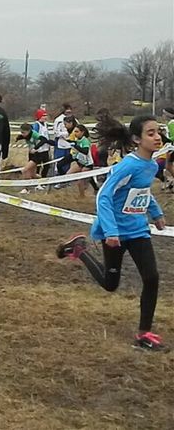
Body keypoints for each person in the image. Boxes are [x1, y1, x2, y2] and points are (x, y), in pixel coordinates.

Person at [57, 115, 167, 350]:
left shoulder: (150, 165)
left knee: (152, 277)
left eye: (158, 132)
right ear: (137, 139)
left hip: (138, 230)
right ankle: (78, 249)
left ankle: (144, 333)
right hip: (115, 233)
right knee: (110, 283)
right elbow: (104, 195)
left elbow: (142, 191)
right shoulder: (128, 165)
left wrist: (156, 214)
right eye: (151, 133)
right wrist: (110, 230)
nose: (157, 137)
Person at [15, 122, 50, 194]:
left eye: (23, 132)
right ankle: (44, 181)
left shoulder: (34, 134)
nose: (22, 134)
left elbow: (44, 140)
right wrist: (18, 138)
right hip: (31, 154)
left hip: (38, 154)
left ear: (29, 131)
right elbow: (23, 136)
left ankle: (26, 189)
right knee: (33, 175)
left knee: (25, 170)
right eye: (21, 132)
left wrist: (36, 148)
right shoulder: (25, 135)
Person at [64, 124, 94, 197]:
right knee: (67, 174)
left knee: (80, 182)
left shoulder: (85, 140)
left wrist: (75, 146)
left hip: (87, 163)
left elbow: (85, 151)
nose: (75, 133)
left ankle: (82, 196)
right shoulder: (77, 140)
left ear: (82, 132)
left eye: (77, 132)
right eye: (74, 132)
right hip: (80, 162)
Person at [31, 108, 52, 181]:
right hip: (38, 149)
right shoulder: (36, 125)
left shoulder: (45, 124)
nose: (45, 117)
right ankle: (36, 181)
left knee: (47, 165)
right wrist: (35, 147)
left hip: (46, 148)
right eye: (43, 115)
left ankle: (43, 179)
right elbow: (34, 136)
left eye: (46, 115)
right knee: (38, 166)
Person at [53, 103, 73, 175]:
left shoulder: (74, 119)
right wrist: (65, 135)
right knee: (59, 161)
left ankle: (66, 177)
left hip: (70, 145)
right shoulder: (58, 120)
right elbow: (56, 133)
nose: (69, 112)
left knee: (67, 162)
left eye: (70, 111)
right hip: (60, 145)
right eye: (67, 111)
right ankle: (58, 177)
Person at [162, 107, 174, 188]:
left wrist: (164, 137)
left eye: (164, 114)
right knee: (168, 165)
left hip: (172, 147)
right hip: (171, 146)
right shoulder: (170, 123)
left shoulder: (171, 123)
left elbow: (172, 137)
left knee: (168, 166)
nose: (163, 115)